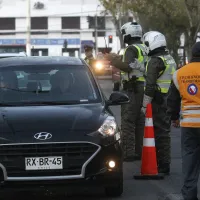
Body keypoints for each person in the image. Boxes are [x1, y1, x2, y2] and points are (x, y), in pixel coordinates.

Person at [105, 21, 148, 161]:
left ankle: (129, 153)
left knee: (128, 121)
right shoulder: (144, 47)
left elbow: (128, 67)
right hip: (143, 86)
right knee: (140, 121)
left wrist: (113, 61)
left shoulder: (131, 49)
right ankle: (139, 150)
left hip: (132, 88)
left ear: (128, 34)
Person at [167, 41, 200, 200]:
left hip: (188, 125)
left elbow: (172, 99)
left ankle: (190, 195)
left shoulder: (179, 73)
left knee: (189, 161)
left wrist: (174, 117)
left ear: (192, 54)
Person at [141, 31, 176, 174]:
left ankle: (162, 164)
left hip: (158, 101)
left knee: (159, 133)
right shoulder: (169, 58)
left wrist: (145, 104)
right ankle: (164, 162)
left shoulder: (155, 61)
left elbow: (150, 85)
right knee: (165, 132)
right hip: (169, 99)